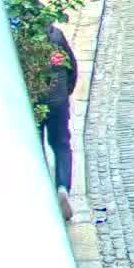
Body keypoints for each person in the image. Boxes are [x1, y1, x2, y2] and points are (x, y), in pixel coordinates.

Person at [42, 23, 78, 221]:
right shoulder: (56, 35)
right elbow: (72, 67)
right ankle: (63, 186)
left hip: (34, 102)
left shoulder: (20, 42)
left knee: (36, 149)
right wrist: (65, 92)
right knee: (62, 145)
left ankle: (42, 194)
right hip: (58, 101)